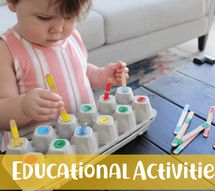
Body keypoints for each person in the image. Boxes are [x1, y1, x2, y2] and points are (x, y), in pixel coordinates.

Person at [0, 0, 129, 131]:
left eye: (69, 17)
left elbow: (79, 71)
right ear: (12, 2)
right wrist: (22, 107)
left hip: (86, 132)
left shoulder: (72, 36)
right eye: (45, 18)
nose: (58, 29)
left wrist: (101, 75)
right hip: (41, 145)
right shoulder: (6, 51)